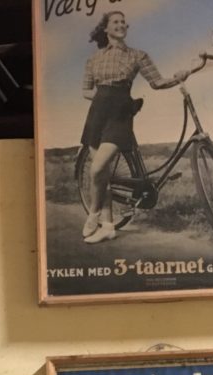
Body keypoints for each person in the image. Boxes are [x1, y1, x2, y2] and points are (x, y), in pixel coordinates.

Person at [78, 11, 192, 244]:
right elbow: (86, 90)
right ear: (106, 28)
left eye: (123, 22)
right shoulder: (94, 59)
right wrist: (103, 98)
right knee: (103, 174)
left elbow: (157, 82)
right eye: (116, 22)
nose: (121, 25)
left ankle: (93, 213)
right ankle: (108, 227)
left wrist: (180, 76)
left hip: (120, 114)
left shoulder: (138, 55)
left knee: (97, 169)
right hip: (97, 114)